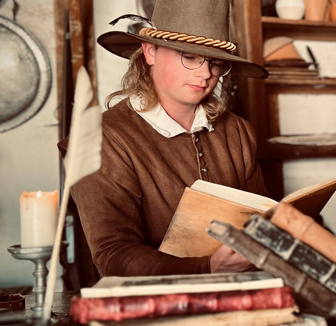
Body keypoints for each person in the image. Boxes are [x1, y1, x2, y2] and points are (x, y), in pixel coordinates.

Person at [58, 0, 270, 276]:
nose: (206, 74)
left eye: (216, 63)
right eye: (189, 56)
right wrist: (208, 267)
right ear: (150, 51)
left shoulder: (238, 131)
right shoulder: (101, 139)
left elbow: (261, 220)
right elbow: (113, 255)